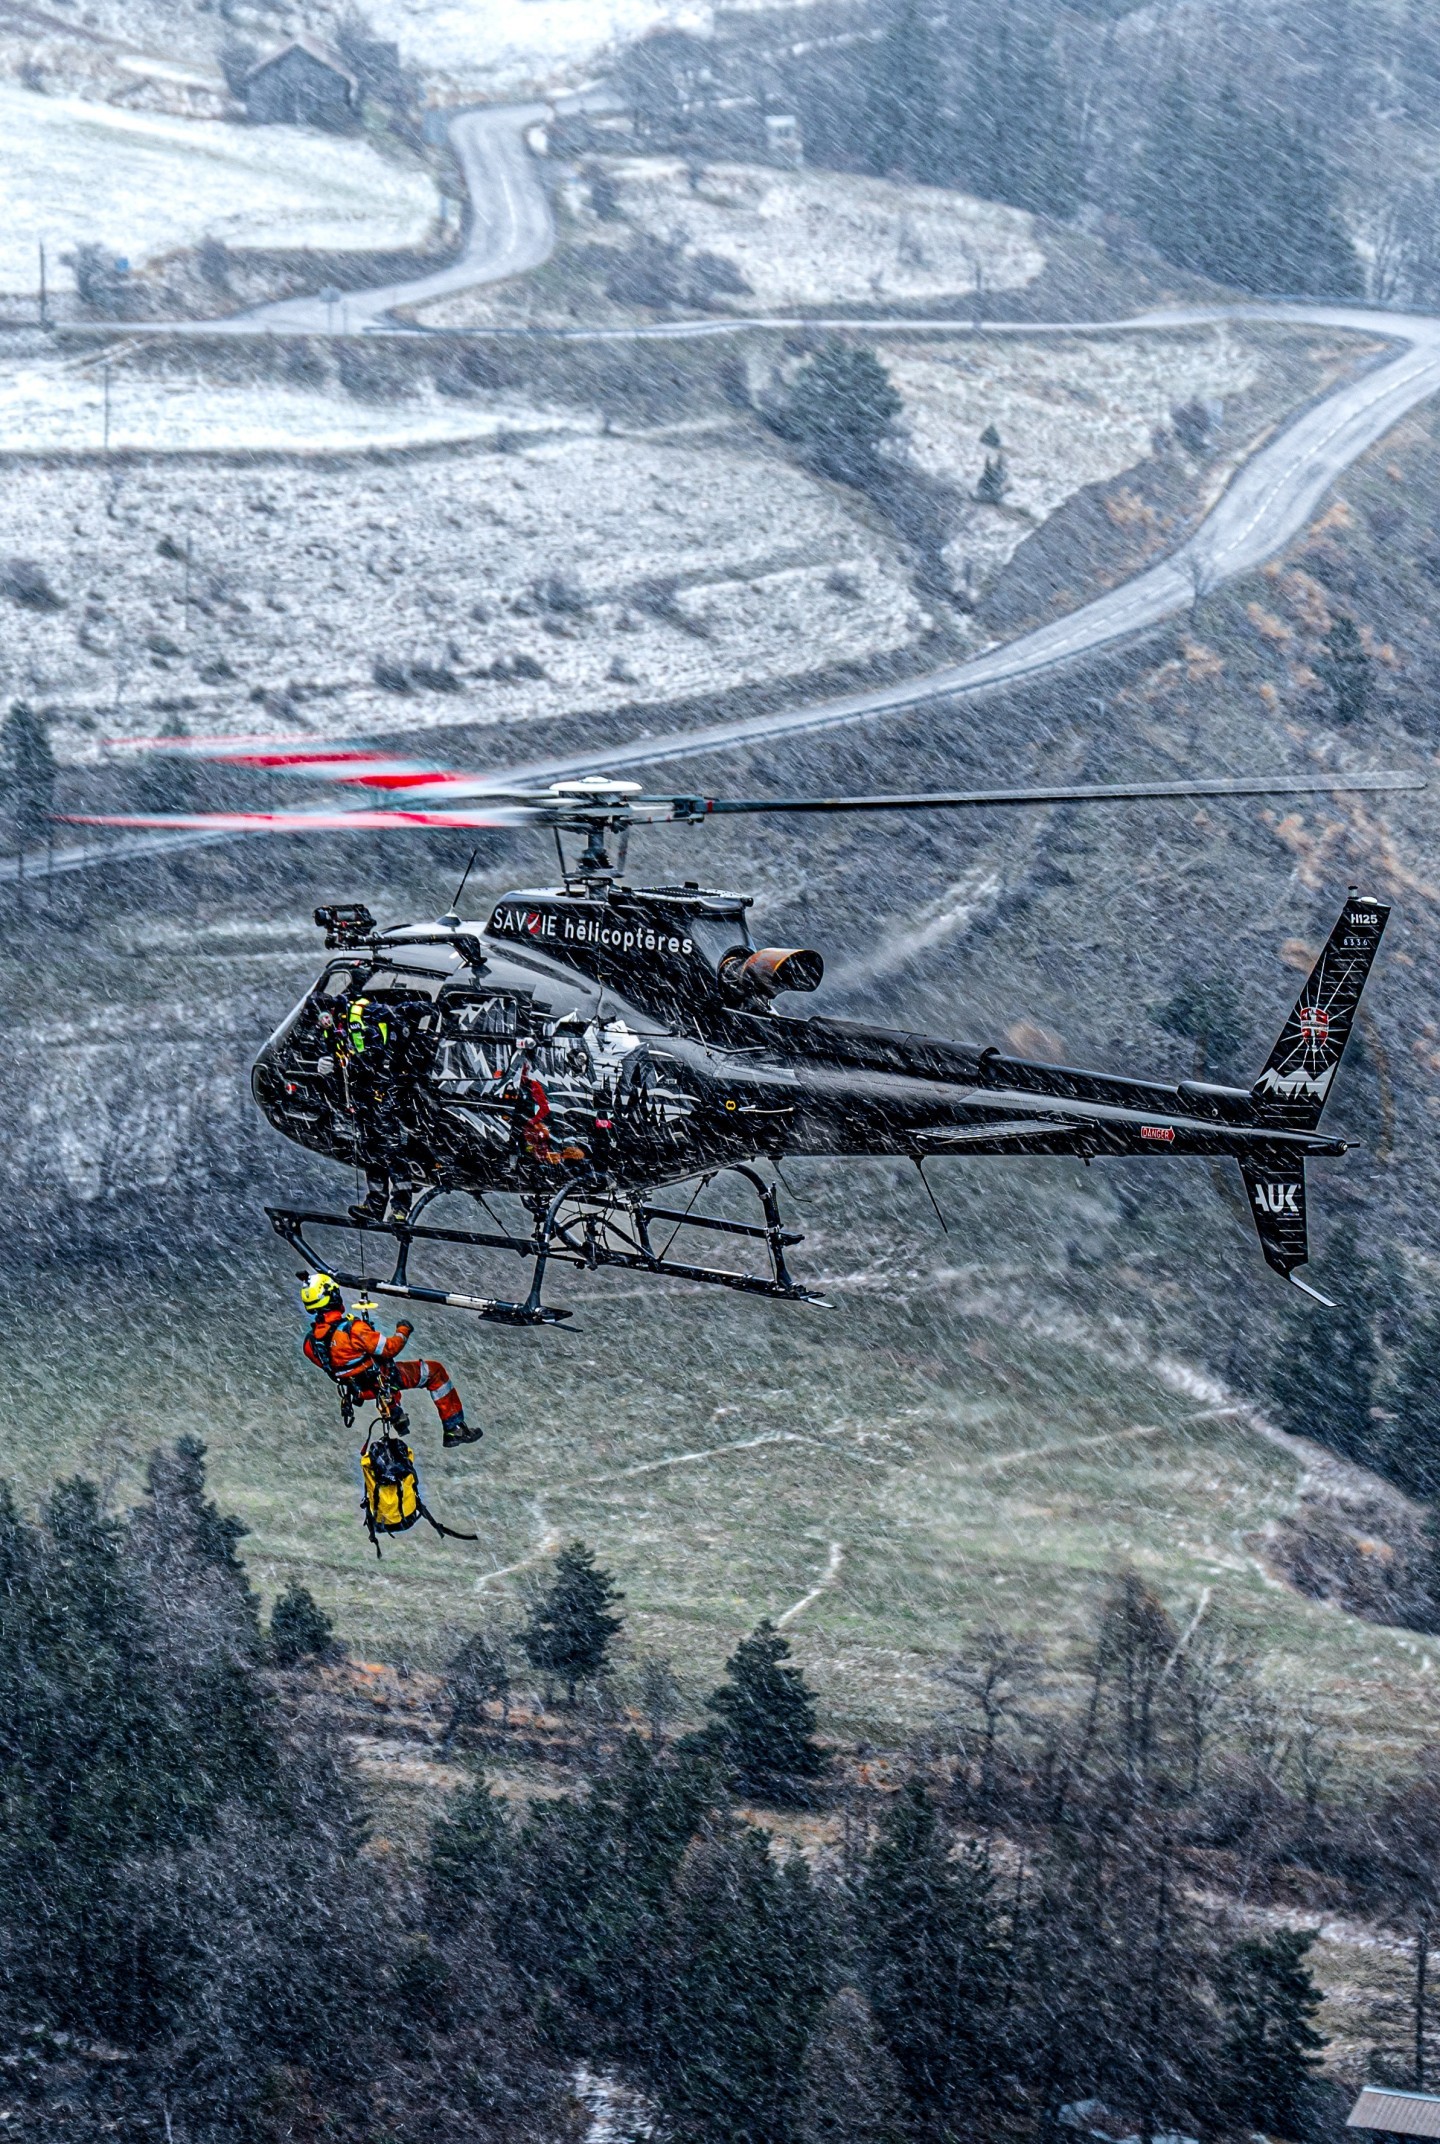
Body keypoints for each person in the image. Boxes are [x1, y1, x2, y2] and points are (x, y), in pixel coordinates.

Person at [299, 1273, 482, 1448]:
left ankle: (395, 1411)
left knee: (378, 1378)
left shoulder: (310, 1343)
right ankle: (454, 1428)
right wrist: (403, 1330)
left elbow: (336, 1365)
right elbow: (389, 1349)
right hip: (383, 1380)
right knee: (434, 1371)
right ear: (333, 1297)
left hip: (360, 1390)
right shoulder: (353, 1330)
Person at [338, 992, 420, 1225]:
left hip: (383, 1098)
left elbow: (372, 1057)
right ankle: (375, 1206)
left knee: (393, 1154)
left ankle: (400, 1210)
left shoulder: (366, 1018)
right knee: (372, 1154)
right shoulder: (362, 1022)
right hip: (369, 1100)